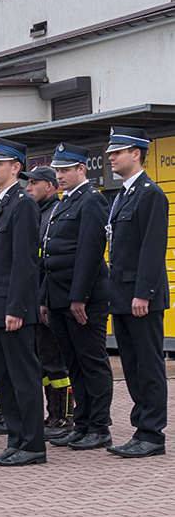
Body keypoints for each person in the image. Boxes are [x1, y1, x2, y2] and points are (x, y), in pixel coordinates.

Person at [37, 143, 114, 451]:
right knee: (73, 364)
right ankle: (82, 424)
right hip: (58, 297)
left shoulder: (91, 200)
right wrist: (45, 298)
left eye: (66, 170)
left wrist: (79, 297)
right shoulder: (63, 202)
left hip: (83, 299)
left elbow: (90, 252)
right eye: (57, 170)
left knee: (92, 361)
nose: (60, 175)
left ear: (82, 169)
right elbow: (48, 256)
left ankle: (100, 427)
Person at [0, 137, 45, 467]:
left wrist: (17, 308)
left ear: (16, 167)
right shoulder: (0, 204)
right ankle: (16, 439)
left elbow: (24, 262)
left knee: (23, 377)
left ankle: (32, 444)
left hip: (12, 307)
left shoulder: (22, 204)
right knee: (4, 379)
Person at [105, 126, 168, 458]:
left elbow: (152, 249)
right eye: (110, 153)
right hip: (122, 296)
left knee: (148, 366)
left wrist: (143, 293)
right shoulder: (123, 195)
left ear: (136, 153)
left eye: (117, 152)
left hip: (141, 298)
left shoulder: (150, 193)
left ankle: (153, 434)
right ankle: (141, 428)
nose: (111, 158)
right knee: (131, 366)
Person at [22, 165, 75, 440]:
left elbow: (46, 263)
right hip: (35, 299)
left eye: (34, 183)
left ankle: (64, 416)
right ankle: (53, 413)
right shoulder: (37, 213)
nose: (29, 188)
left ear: (50, 186)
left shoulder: (54, 212)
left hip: (48, 299)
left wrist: (43, 299)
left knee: (55, 362)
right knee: (43, 361)